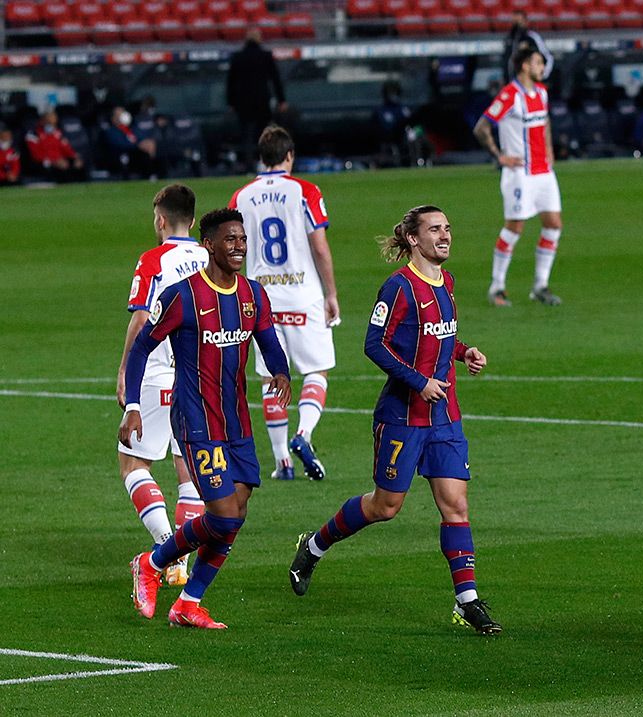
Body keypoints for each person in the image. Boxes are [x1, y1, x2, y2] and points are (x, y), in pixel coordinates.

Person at [287, 205, 502, 635]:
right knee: (386, 506)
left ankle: (468, 601)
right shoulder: (399, 287)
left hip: (445, 417)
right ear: (414, 239)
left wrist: (464, 352)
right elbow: (375, 344)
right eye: (434, 229)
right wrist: (419, 381)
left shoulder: (448, 282)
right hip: (403, 417)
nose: (444, 235)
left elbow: (441, 334)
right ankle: (314, 545)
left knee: (456, 506)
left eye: (447, 227)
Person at [121, 208, 292, 629]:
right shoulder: (182, 296)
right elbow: (143, 347)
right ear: (209, 245)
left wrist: (282, 371)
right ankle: (152, 562)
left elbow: (268, 341)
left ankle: (187, 602)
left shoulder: (254, 294)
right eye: (229, 239)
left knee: (238, 510)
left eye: (242, 239)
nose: (238, 247)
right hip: (195, 418)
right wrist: (132, 405)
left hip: (236, 421)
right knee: (223, 514)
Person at [230, 125, 338, 482]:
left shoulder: (241, 197)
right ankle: (304, 435)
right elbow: (319, 246)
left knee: (269, 376)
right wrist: (331, 293)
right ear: (289, 156)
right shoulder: (305, 191)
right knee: (315, 370)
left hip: (261, 299)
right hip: (304, 294)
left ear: (261, 157)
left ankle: (281, 463)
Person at [117, 184, 210, 589]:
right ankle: (179, 563)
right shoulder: (213, 258)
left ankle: (165, 544)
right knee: (187, 467)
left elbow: (140, 320)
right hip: (202, 376)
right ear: (192, 218)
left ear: (160, 220)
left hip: (158, 373)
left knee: (133, 463)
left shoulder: (153, 260)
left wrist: (124, 372)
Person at [473, 47, 564, 307]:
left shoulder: (542, 92)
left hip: (543, 171)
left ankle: (540, 286)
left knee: (554, 224)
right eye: (538, 62)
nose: (542, 68)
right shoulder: (510, 95)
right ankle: (497, 286)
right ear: (525, 66)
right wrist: (499, 157)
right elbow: (482, 126)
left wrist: (549, 152)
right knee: (515, 227)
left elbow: (545, 122)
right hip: (519, 174)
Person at [227, 28, 288, 172]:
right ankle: (266, 164)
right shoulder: (265, 56)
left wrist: (230, 102)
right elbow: (275, 79)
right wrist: (281, 100)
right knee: (265, 135)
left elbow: (230, 82)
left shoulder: (238, 56)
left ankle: (249, 167)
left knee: (246, 137)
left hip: (243, 103)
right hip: (262, 101)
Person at [103, 106, 163, 179]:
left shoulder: (132, 128)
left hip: (137, 153)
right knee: (141, 155)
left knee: (152, 147)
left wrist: (148, 143)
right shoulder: (111, 131)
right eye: (118, 115)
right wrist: (138, 145)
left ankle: (156, 175)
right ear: (113, 118)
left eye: (122, 113)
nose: (121, 116)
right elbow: (119, 144)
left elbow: (142, 138)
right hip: (122, 155)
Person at [25, 110, 84, 182]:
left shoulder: (57, 133)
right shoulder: (33, 134)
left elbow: (66, 148)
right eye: (48, 120)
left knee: (78, 165)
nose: (51, 123)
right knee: (61, 170)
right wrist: (54, 161)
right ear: (42, 121)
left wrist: (75, 158)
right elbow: (36, 155)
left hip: (60, 161)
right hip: (44, 162)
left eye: (53, 121)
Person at [503, 10, 553, 79]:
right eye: (515, 22)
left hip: (529, 82)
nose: (517, 25)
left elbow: (547, 57)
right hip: (512, 81)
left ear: (526, 22)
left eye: (520, 21)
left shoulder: (532, 37)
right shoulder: (509, 38)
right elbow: (507, 61)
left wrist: (543, 74)